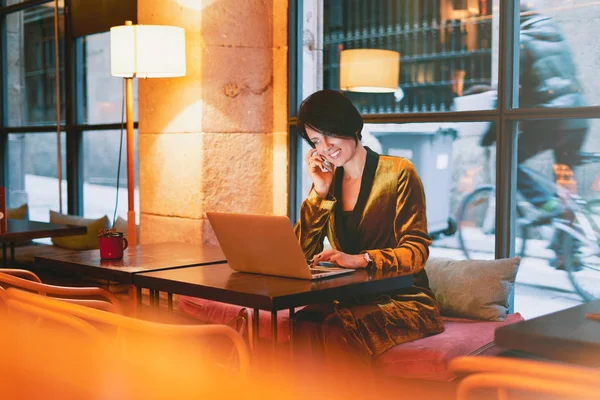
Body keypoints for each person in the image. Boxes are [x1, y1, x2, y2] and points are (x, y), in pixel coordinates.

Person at [292, 90, 444, 368]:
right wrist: (320, 192)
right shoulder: (328, 181)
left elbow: (417, 252)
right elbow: (300, 253)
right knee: (304, 321)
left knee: (339, 329)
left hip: (406, 301)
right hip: (351, 297)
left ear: (350, 125)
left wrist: (361, 259)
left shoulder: (398, 171)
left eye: (329, 134)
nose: (325, 146)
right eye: (315, 141)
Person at [470, 3, 588, 267]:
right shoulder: (555, 36)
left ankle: (544, 205)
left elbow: (510, 92)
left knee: (507, 160)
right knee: (566, 183)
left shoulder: (520, 41)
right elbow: (545, 79)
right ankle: (567, 250)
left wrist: (491, 134)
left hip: (551, 121)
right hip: (577, 119)